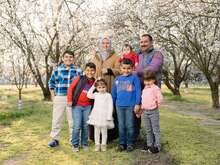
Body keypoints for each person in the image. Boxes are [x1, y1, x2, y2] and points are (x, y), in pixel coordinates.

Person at [48, 50, 82, 148]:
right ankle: (55, 139)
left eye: (70, 57)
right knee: (57, 119)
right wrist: (54, 97)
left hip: (73, 99)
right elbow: (51, 84)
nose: (68, 59)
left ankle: (73, 140)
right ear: (63, 58)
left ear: (73, 59)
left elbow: (81, 85)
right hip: (60, 97)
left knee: (73, 120)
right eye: (66, 57)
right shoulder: (56, 70)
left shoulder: (78, 71)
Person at [134, 34, 164, 140]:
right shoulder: (138, 55)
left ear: (151, 42)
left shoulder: (157, 54)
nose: (143, 44)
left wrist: (136, 72)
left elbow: (152, 68)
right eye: (141, 42)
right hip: (139, 89)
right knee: (137, 112)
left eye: (145, 42)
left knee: (152, 117)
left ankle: (155, 143)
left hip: (151, 92)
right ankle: (138, 137)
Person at [91, 35, 120, 141]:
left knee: (109, 110)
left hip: (109, 86)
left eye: (107, 43)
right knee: (97, 109)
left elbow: (120, 70)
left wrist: (109, 70)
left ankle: (110, 137)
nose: (105, 45)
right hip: (97, 87)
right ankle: (95, 136)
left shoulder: (115, 56)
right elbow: (91, 69)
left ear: (110, 44)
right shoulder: (96, 56)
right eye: (103, 43)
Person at [111, 59, 141, 152]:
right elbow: (114, 94)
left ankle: (130, 144)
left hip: (130, 105)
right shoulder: (117, 79)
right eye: (124, 68)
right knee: (121, 125)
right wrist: (112, 105)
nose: (126, 70)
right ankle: (121, 143)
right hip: (119, 106)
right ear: (120, 68)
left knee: (129, 125)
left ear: (132, 68)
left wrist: (137, 103)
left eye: (129, 68)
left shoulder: (134, 78)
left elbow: (138, 91)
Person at [67, 62, 96, 152]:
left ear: (94, 71)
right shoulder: (79, 78)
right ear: (84, 71)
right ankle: (75, 144)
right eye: (87, 70)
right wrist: (69, 100)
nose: (90, 72)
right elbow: (71, 88)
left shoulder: (94, 82)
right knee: (77, 125)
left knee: (85, 125)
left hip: (87, 106)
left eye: (92, 70)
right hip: (77, 106)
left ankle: (84, 143)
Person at [87, 79, 114, 152]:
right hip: (96, 116)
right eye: (99, 87)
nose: (101, 89)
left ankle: (103, 145)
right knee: (97, 131)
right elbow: (88, 95)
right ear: (97, 88)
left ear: (106, 87)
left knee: (104, 132)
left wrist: (109, 116)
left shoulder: (108, 95)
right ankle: (97, 145)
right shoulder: (96, 94)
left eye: (103, 87)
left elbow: (110, 106)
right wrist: (93, 86)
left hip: (105, 116)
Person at [140, 70, 163, 153]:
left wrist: (157, 105)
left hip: (153, 112)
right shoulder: (144, 89)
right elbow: (143, 100)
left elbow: (160, 98)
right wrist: (141, 110)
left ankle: (157, 146)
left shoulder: (155, 88)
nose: (147, 82)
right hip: (145, 112)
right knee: (148, 130)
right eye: (145, 80)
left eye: (149, 80)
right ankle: (150, 145)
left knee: (155, 130)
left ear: (153, 80)